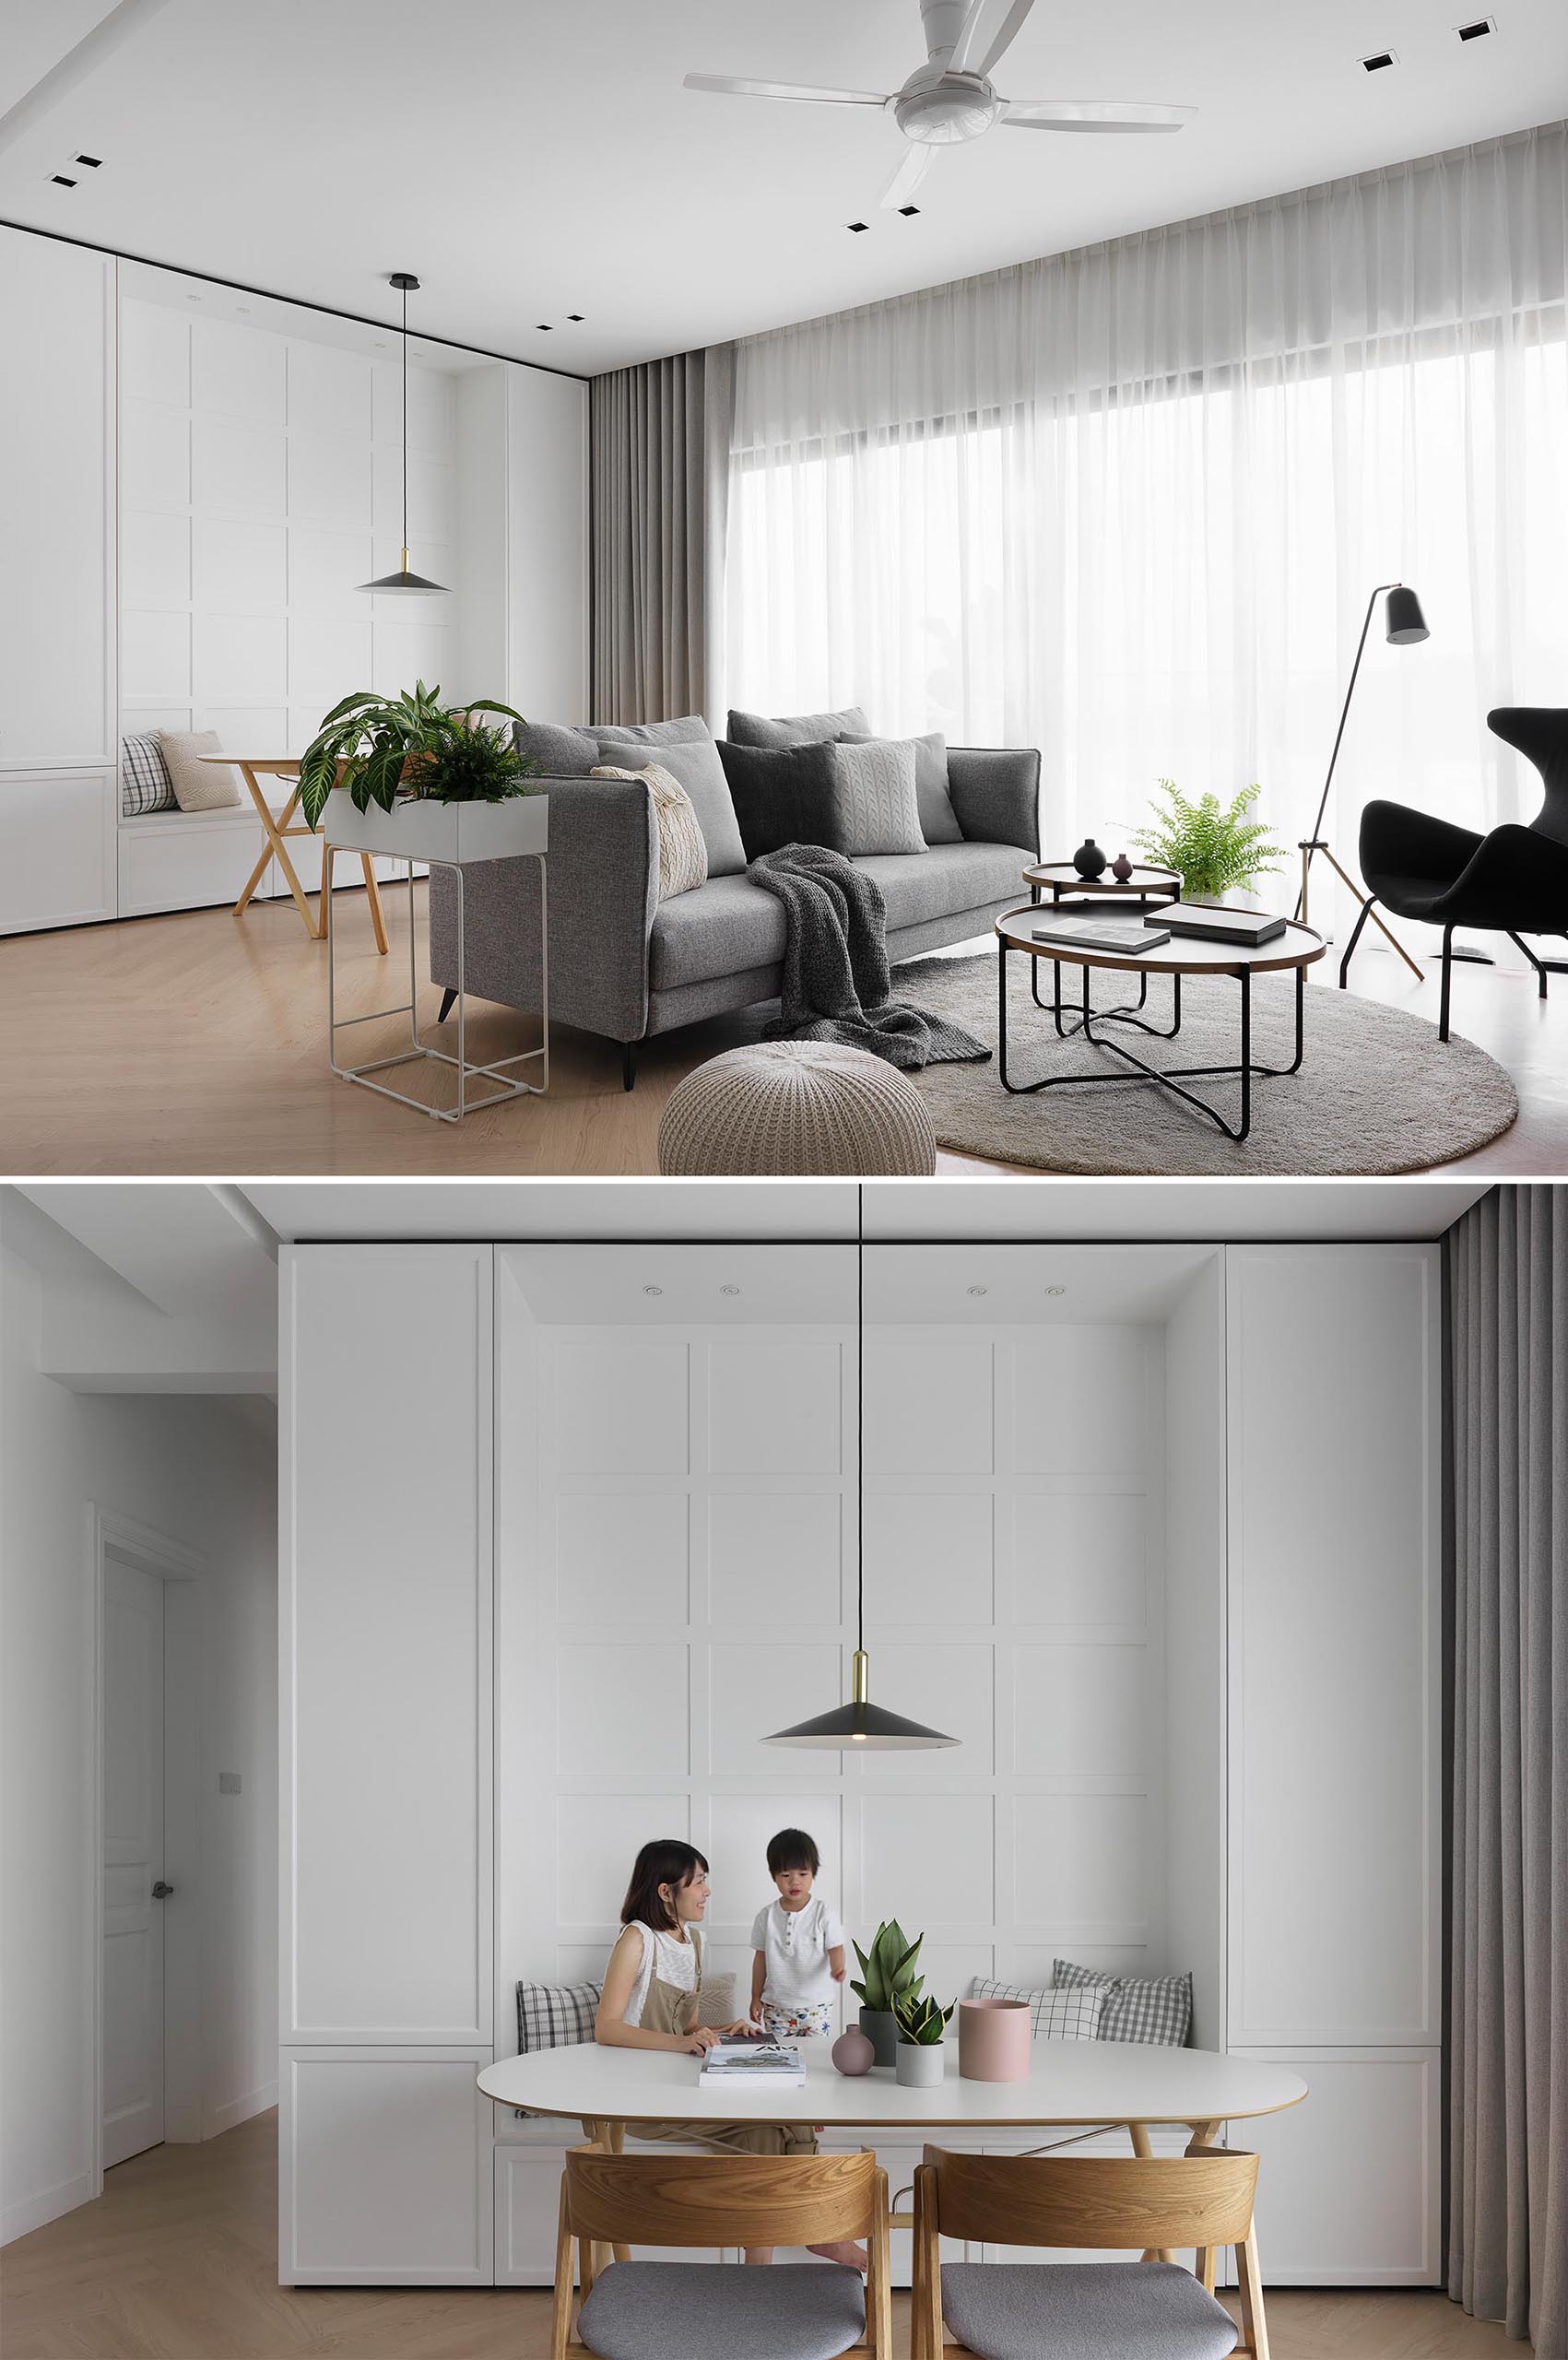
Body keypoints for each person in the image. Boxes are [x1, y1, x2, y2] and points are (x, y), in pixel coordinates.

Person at [595, 1838, 865, 2271]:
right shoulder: (636, 1939)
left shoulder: (693, 1941)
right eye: (699, 1881)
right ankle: (819, 2233)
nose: (707, 1891)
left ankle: (760, 2271)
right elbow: (606, 2028)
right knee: (775, 2126)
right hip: (642, 2096)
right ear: (667, 1891)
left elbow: (686, 2029)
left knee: (781, 2123)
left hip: (683, 2084)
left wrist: (726, 2030)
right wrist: (683, 2043)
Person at [749, 1827, 847, 2041]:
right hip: (776, 2007)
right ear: (774, 1876)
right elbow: (760, 1959)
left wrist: (837, 1966)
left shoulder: (824, 1912)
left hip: (816, 2006)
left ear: (813, 1873)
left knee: (816, 2060)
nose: (795, 1882)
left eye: (803, 1874)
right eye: (786, 1875)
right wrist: (755, 1997)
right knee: (778, 2058)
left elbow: (835, 1947)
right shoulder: (766, 1916)